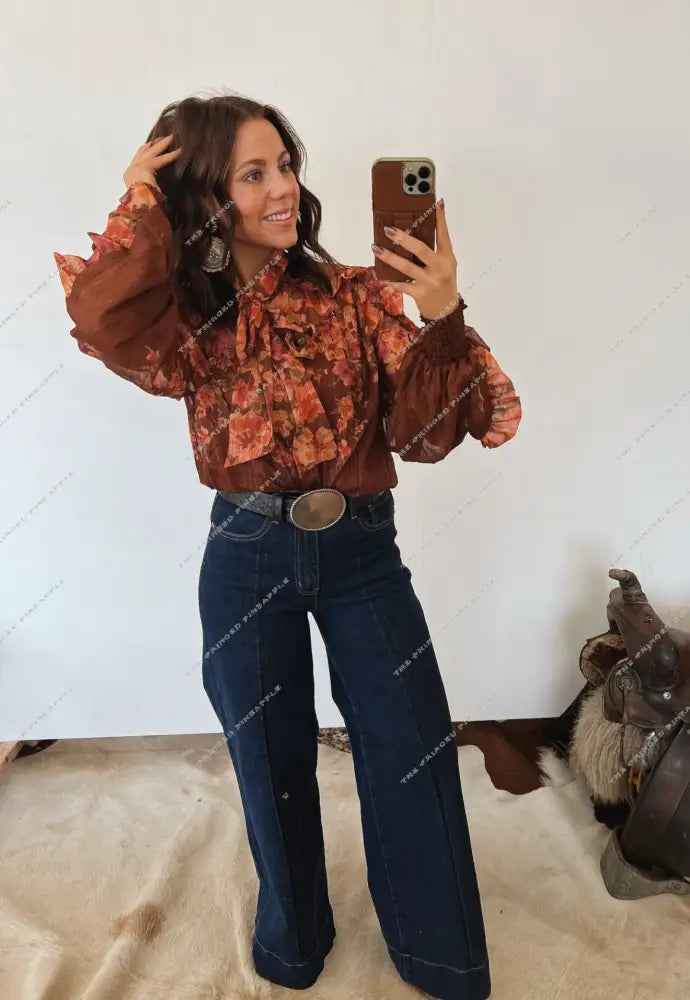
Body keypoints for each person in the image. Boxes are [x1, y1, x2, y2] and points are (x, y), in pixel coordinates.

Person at [53, 93, 522, 1000]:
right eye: (253, 173)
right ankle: (294, 942)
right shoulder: (185, 317)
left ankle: (440, 957)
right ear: (206, 196)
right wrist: (141, 198)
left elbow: (425, 437)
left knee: (411, 745)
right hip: (246, 556)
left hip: (364, 556)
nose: (283, 188)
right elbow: (103, 320)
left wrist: (442, 312)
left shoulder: (352, 295)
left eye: (287, 166)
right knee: (268, 758)